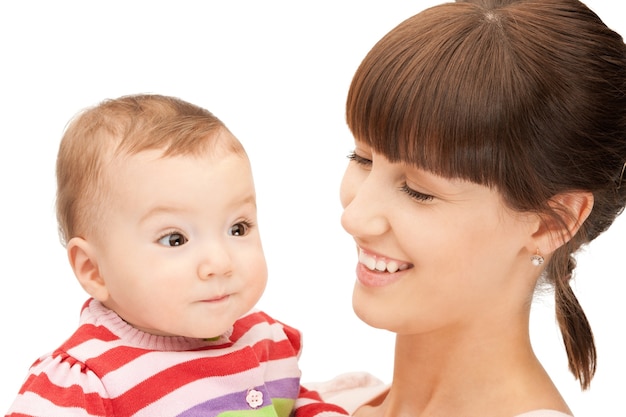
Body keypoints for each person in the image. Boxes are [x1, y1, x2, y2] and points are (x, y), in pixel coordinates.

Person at [334, 0, 626, 416]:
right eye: (362, 159)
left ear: (549, 222)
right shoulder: (302, 399)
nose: (353, 217)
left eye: (418, 191)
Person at [5, 94, 348, 417]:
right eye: (175, 239)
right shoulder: (85, 382)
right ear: (94, 269)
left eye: (238, 229)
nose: (219, 263)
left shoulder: (263, 338)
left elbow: (293, 402)